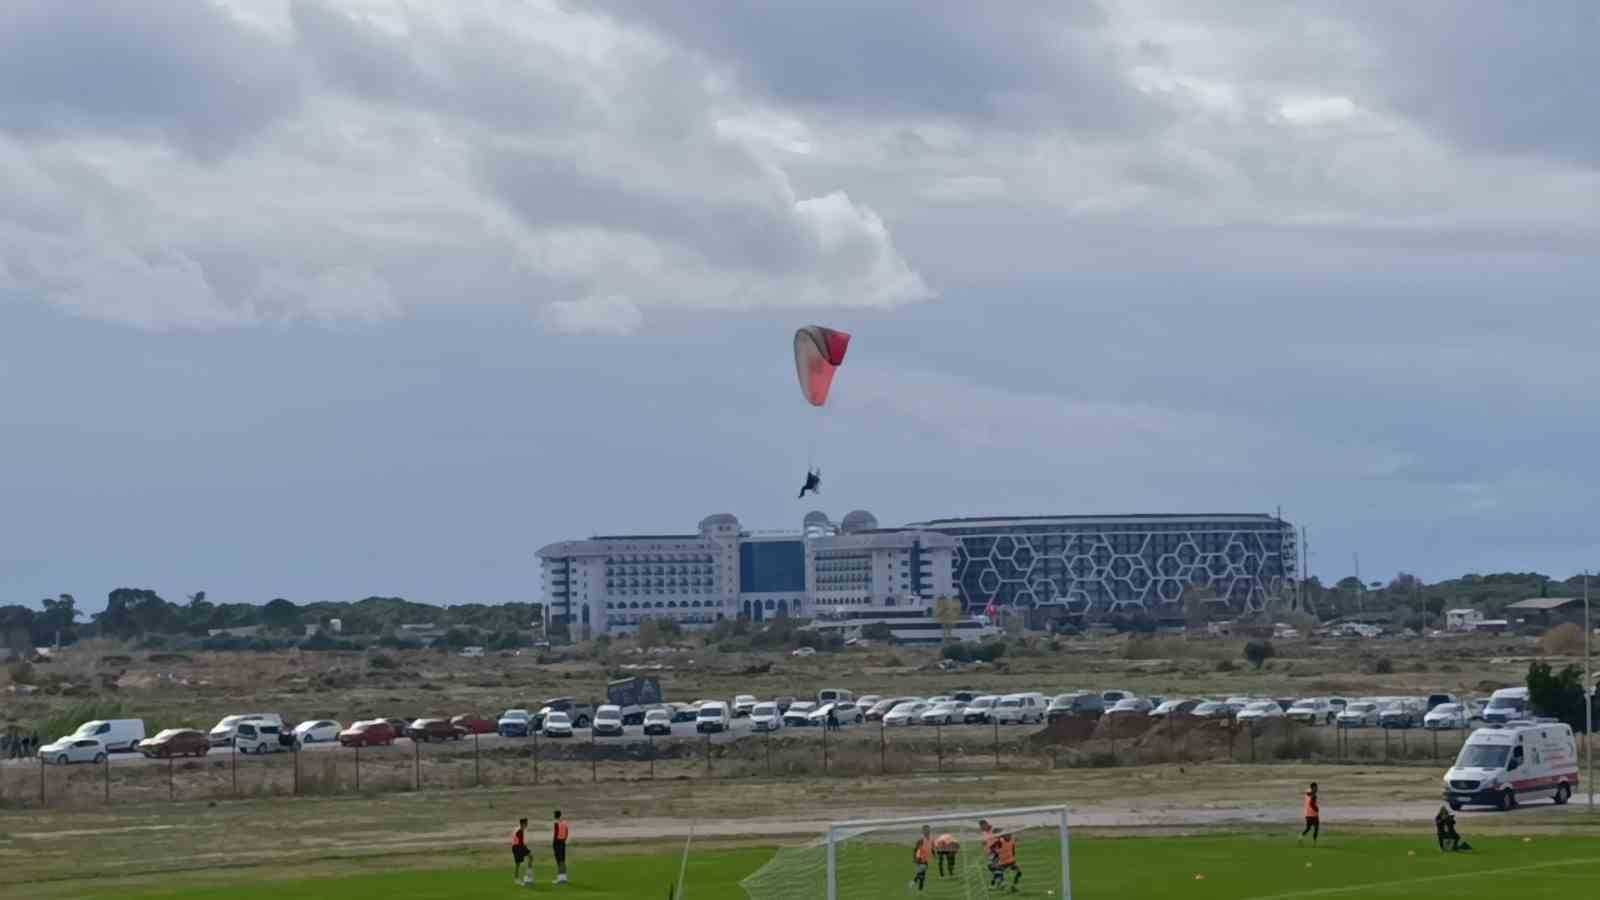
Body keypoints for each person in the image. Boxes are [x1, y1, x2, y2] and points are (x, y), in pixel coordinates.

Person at [910, 824, 933, 891]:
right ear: (923, 832)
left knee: (922, 875)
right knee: (922, 873)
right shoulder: (921, 840)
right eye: (925, 830)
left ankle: (918, 888)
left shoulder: (930, 839)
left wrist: (932, 854)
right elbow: (916, 850)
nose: (927, 832)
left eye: (928, 830)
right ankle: (914, 883)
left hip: (925, 859)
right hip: (920, 859)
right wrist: (915, 858)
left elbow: (930, 848)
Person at [512, 817, 532, 885]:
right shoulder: (519, 830)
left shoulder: (521, 829)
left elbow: (522, 842)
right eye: (526, 823)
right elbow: (519, 843)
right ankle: (518, 879)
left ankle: (528, 874)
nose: (527, 824)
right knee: (519, 864)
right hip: (517, 847)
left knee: (531, 856)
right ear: (523, 823)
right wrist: (523, 850)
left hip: (521, 846)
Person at [552, 809, 570, 885]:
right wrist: (564, 840)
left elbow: (555, 834)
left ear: (555, 815)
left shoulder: (556, 823)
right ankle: (564, 877)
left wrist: (554, 843)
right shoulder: (565, 822)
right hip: (563, 842)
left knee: (559, 861)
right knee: (562, 860)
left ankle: (560, 878)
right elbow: (566, 832)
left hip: (557, 842)